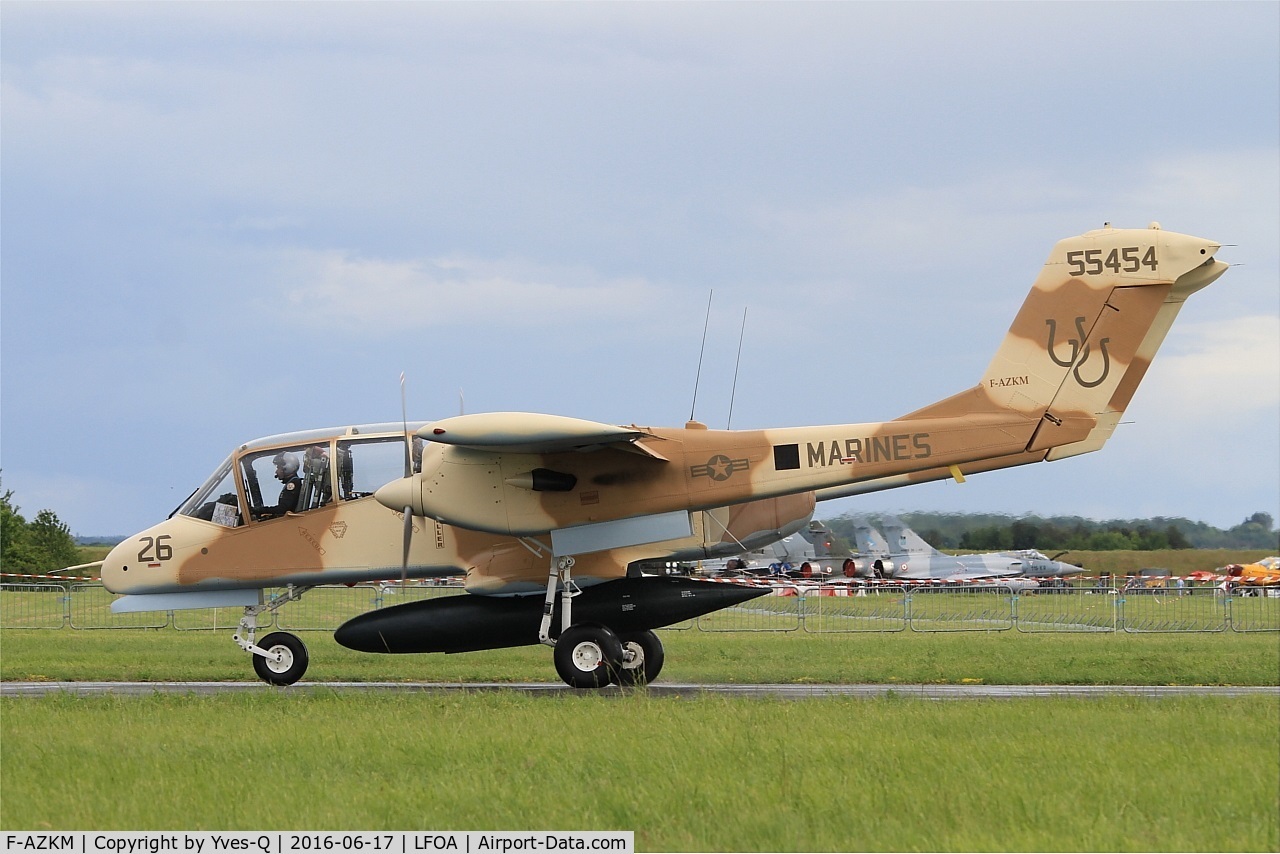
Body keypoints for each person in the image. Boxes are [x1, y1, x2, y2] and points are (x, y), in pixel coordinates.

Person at [253, 452, 302, 520]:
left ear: (287, 467)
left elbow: (282, 510)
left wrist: (261, 510)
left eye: (278, 468)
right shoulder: (293, 482)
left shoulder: (293, 484)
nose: (276, 472)